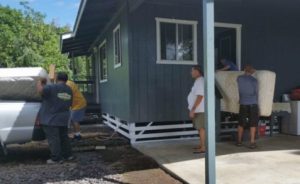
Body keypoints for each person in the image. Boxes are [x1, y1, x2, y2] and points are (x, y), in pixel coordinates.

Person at [37, 72, 74, 164]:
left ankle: (56, 158)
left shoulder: (52, 87)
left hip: (51, 118)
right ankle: (68, 155)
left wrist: (40, 81)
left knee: (54, 139)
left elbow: (41, 91)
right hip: (64, 118)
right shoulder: (69, 89)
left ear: (57, 79)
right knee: (64, 137)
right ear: (66, 79)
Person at [236, 65, 259, 149]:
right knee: (253, 123)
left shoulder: (239, 78)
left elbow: (238, 89)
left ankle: (239, 141)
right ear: (252, 71)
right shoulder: (254, 80)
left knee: (241, 123)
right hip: (253, 103)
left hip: (243, 103)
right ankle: (252, 142)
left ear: (244, 70)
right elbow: (256, 93)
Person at [187, 65, 206, 154]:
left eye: (192, 71)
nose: (191, 73)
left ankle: (203, 147)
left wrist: (193, 109)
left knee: (201, 128)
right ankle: (202, 144)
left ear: (197, 72)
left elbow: (200, 96)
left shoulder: (200, 81)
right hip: (198, 109)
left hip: (200, 109)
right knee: (199, 128)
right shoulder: (198, 81)